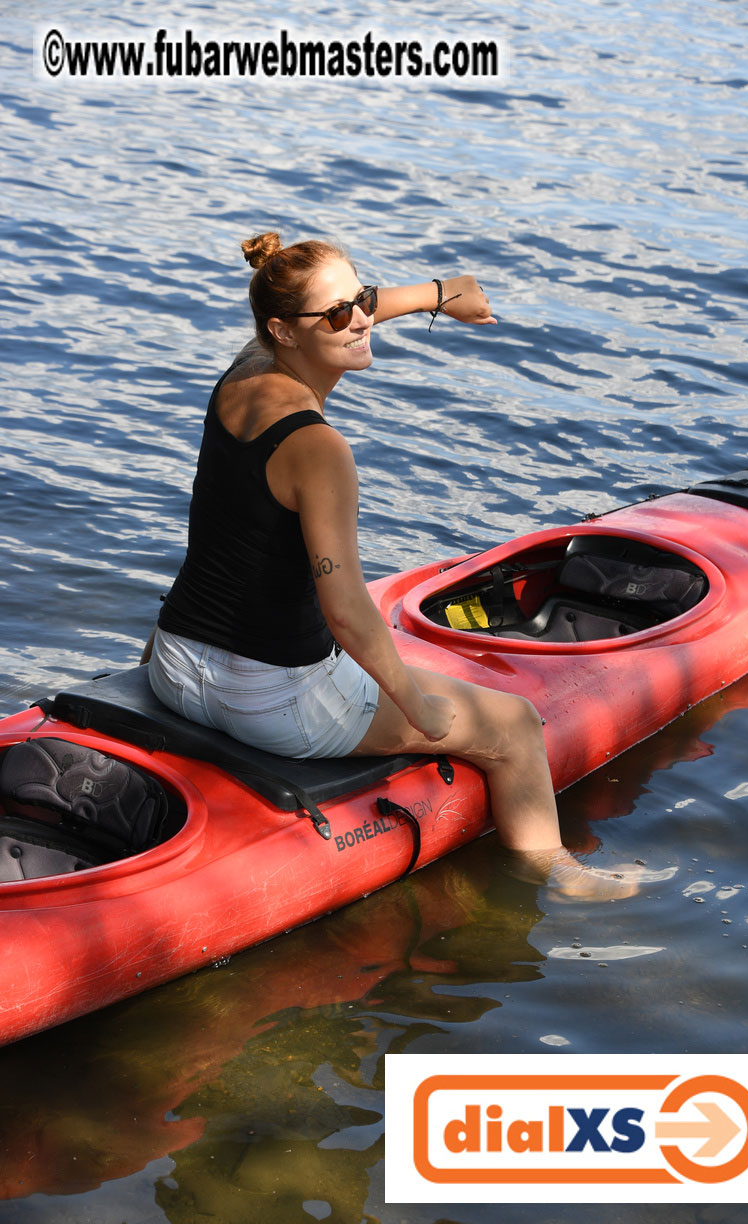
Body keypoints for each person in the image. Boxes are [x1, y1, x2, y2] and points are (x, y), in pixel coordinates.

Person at [145, 231, 656, 898]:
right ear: (284, 330)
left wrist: (444, 294)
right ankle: (557, 874)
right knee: (513, 725)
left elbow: (345, 313)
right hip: (269, 703)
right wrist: (418, 709)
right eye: (340, 313)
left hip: (173, 667)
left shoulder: (242, 375)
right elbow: (346, 611)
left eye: (362, 300)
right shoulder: (319, 449)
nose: (361, 319)